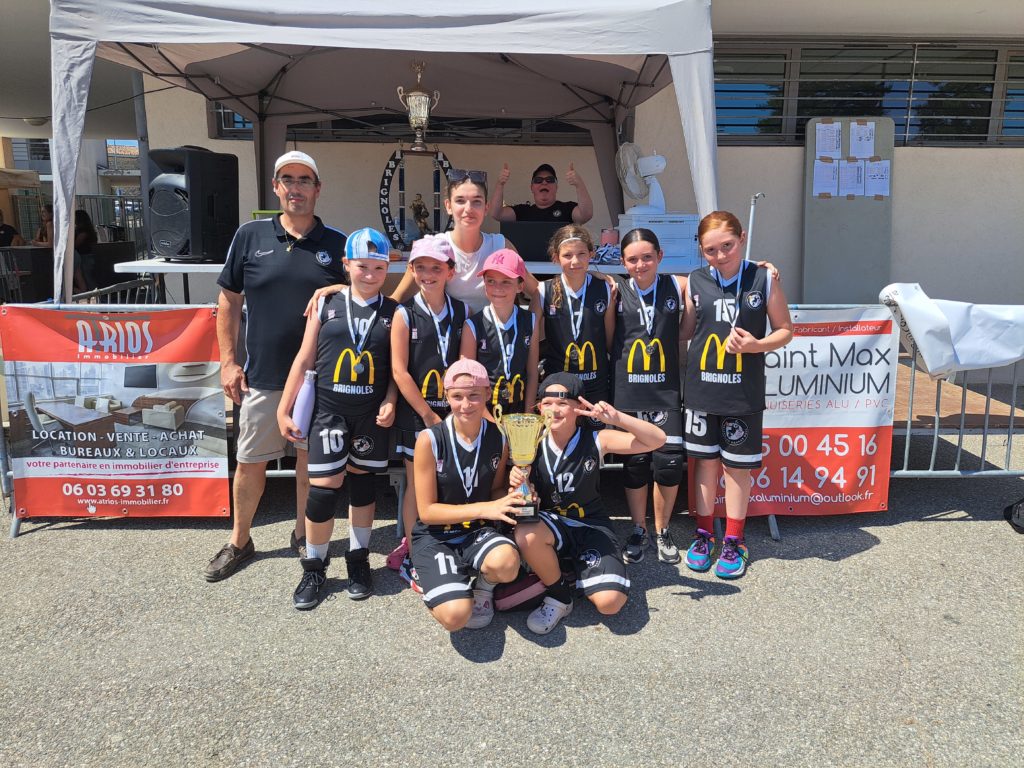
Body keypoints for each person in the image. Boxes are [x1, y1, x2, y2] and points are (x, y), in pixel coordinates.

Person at [203, 150, 348, 583]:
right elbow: (228, 301)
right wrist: (228, 362)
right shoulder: (249, 236)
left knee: (307, 464)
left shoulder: (337, 244)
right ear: (275, 186)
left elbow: (364, 289)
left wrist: (340, 287)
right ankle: (239, 541)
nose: (295, 187)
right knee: (250, 463)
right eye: (288, 179)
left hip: (316, 380)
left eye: (304, 180)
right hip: (261, 376)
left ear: (318, 189)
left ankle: (303, 534)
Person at [278, 227, 398, 609]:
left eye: (378, 267)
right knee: (322, 491)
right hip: (329, 412)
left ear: (387, 268)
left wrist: (391, 399)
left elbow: (397, 370)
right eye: (362, 266)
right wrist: (283, 407)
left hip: (369, 415)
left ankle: (358, 560)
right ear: (346, 264)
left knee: (363, 487)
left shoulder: (394, 312)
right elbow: (304, 358)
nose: (370, 274)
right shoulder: (326, 304)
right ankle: (314, 566)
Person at [510, 373, 666, 634]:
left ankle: (569, 569)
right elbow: (520, 499)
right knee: (526, 532)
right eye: (547, 403)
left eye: (562, 403)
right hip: (551, 524)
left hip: (590, 524)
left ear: (579, 408)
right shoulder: (530, 441)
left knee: (610, 604)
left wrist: (616, 419)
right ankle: (560, 596)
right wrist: (517, 483)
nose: (554, 410)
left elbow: (657, 439)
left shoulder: (596, 438)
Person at [682, 211, 792, 579]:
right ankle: (703, 534)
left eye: (727, 246)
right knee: (704, 465)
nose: (720, 255)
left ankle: (734, 539)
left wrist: (756, 345)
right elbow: (686, 330)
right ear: (701, 250)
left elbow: (786, 330)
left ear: (742, 238)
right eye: (710, 250)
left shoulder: (763, 278)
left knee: (736, 469)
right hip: (702, 391)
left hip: (742, 393)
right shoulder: (695, 280)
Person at [410, 358, 523, 631]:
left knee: (508, 564)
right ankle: (424, 575)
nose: (466, 404)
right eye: (457, 396)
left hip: (476, 530)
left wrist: (514, 494)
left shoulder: (499, 436)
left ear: (487, 394)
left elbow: (495, 490)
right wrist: (485, 509)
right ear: (446, 396)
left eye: (474, 395)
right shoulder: (429, 440)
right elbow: (427, 512)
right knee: (456, 618)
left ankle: (483, 588)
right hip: (437, 535)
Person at [387, 234, 469, 584]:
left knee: (449, 480)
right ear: (411, 270)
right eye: (420, 267)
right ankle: (414, 549)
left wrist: (457, 412)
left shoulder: (462, 311)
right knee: (416, 483)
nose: (428, 274)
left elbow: (464, 366)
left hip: (453, 414)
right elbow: (399, 371)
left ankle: (449, 542)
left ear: (450, 271)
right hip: (417, 415)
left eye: (436, 268)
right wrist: (427, 414)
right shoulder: (404, 314)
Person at [610, 228, 688, 565]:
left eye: (647, 257)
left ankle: (662, 529)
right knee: (636, 463)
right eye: (632, 259)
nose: (640, 264)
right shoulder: (615, 289)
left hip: (664, 390)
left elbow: (717, 278)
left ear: (659, 256)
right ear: (623, 262)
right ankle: (638, 529)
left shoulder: (677, 285)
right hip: (628, 389)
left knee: (668, 464)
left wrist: (761, 267)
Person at [390, 169, 539, 314]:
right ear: (448, 206)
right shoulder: (433, 248)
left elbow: (538, 292)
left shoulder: (500, 246)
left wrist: (534, 323)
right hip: (448, 330)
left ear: (486, 208)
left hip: (491, 330)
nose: (468, 209)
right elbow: (397, 299)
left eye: (477, 201)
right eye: (460, 201)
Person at [532, 225, 615, 413]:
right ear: (556, 257)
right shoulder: (544, 291)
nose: (575, 261)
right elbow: (531, 340)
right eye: (567, 255)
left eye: (581, 254)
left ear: (591, 254)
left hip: (596, 383)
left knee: (598, 432)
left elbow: (610, 341)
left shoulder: (605, 288)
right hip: (558, 387)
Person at [459, 249, 540, 415]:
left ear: (520, 286)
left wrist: (528, 415)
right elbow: (468, 379)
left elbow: (532, 373)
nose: (498, 288)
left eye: (506, 282)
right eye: (491, 281)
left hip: (519, 410)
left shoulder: (530, 321)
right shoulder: (472, 325)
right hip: (484, 412)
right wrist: (488, 420)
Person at [489, 162, 593, 225]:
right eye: (538, 180)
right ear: (532, 188)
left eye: (550, 180)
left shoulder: (567, 208)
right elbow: (496, 214)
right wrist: (500, 183)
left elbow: (586, 215)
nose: (544, 183)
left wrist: (579, 184)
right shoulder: (523, 211)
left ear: (556, 187)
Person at [72, 209, 98, 292]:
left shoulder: (83, 232)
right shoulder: (87, 231)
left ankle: (95, 297)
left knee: (88, 280)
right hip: (86, 257)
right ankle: (94, 297)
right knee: (87, 280)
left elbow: (75, 245)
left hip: (85, 258)